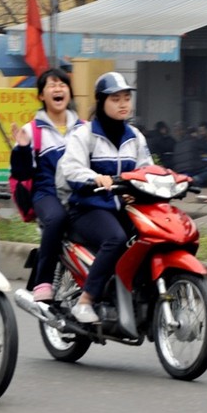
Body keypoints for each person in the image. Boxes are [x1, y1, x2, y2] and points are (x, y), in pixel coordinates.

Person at [58, 72, 153, 323]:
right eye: (115, 99)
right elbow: (71, 168)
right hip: (88, 207)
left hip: (123, 207)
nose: (123, 104)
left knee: (152, 236)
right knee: (116, 239)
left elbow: (147, 168)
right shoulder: (85, 134)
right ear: (101, 102)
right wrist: (94, 178)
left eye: (126, 98)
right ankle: (86, 300)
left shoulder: (135, 136)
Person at [10, 68, 84, 302]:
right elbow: (21, 173)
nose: (58, 89)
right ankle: (43, 282)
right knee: (57, 218)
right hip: (46, 193)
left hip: (79, 192)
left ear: (69, 93)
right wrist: (22, 148)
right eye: (51, 85)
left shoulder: (85, 128)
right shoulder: (32, 130)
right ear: (41, 95)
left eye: (62, 84)